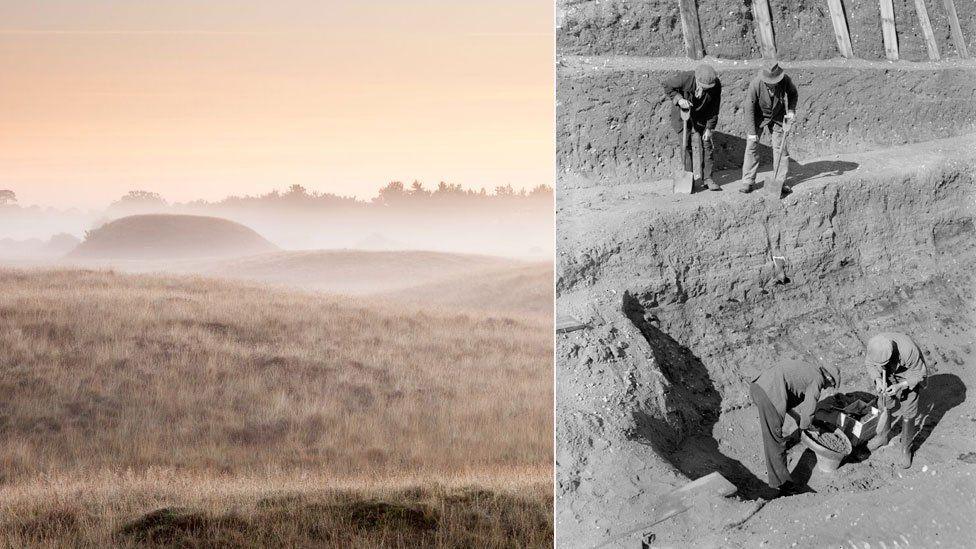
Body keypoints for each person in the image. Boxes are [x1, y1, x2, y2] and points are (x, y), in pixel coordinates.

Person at [750, 360, 841, 496]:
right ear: (828, 377)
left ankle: (780, 469)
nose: (827, 388)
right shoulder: (818, 379)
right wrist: (808, 428)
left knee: (775, 438)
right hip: (768, 392)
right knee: (775, 441)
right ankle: (783, 485)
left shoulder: (809, 370)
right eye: (830, 384)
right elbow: (809, 410)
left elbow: (787, 390)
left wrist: (796, 416)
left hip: (759, 387)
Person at [863, 333, 928, 468]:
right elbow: (869, 363)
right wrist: (878, 380)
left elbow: (920, 374)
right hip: (888, 373)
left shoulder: (908, 351)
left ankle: (906, 448)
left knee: (909, 409)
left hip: (909, 373)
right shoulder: (875, 346)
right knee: (884, 403)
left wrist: (900, 386)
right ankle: (883, 436)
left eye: (883, 364)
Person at [739, 59, 798, 195]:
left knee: (781, 149)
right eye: (769, 83)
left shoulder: (785, 80)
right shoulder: (756, 84)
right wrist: (752, 132)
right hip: (759, 116)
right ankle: (748, 181)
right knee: (751, 147)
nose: (772, 85)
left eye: (774, 82)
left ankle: (779, 181)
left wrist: (791, 111)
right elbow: (749, 108)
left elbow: (793, 94)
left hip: (777, 115)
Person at [663, 63, 722, 191]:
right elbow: (667, 85)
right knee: (686, 145)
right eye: (703, 87)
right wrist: (679, 99)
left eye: (708, 88)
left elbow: (714, 108)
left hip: (702, 114)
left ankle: (707, 178)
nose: (705, 90)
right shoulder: (685, 78)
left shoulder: (715, 85)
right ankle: (689, 179)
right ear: (697, 79)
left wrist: (709, 128)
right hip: (683, 113)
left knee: (707, 144)